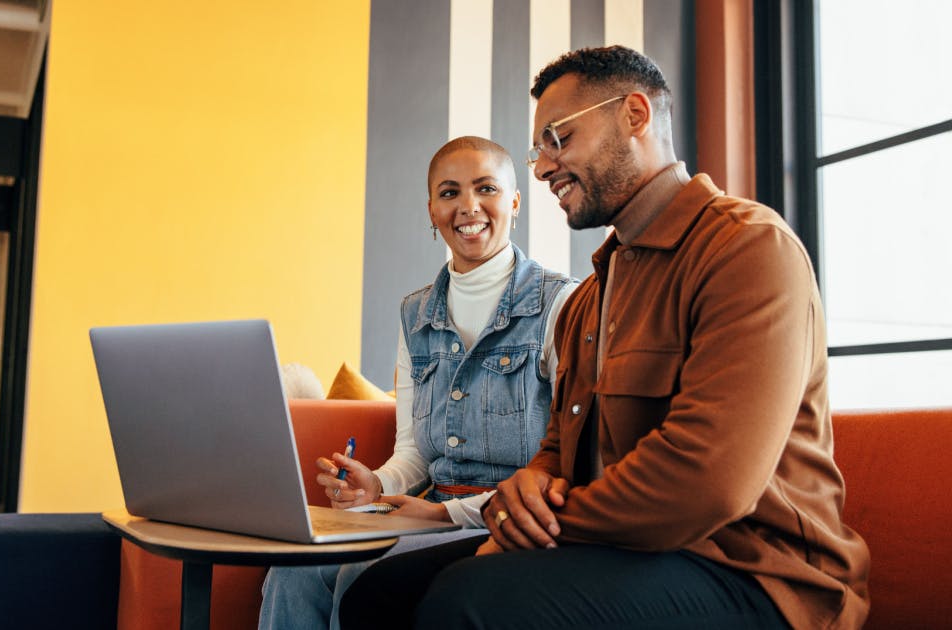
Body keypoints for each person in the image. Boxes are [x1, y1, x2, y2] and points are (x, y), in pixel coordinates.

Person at [339, 46, 871, 629]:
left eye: (558, 139)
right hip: (621, 552)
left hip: (756, 576)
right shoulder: (591, 296)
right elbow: (558, 453)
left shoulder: (747, 249)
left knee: (470, 601)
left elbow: (708, 483)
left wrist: (528, 524)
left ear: (635, 115)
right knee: (377, 594)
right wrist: (531, 485)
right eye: (538, 149)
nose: (541, 167)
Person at [257, 136, 577, 629]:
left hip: (509, 516)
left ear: (514, 201)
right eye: (449, 193)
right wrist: (376, 484)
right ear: (431, 210)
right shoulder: (414, 313)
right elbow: (413, 453)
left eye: (485, 188)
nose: (468, 206)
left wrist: (441, 517)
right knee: (292, 572)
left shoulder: (562, 303)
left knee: (361, 577)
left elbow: (567, 461)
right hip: (423, 510)